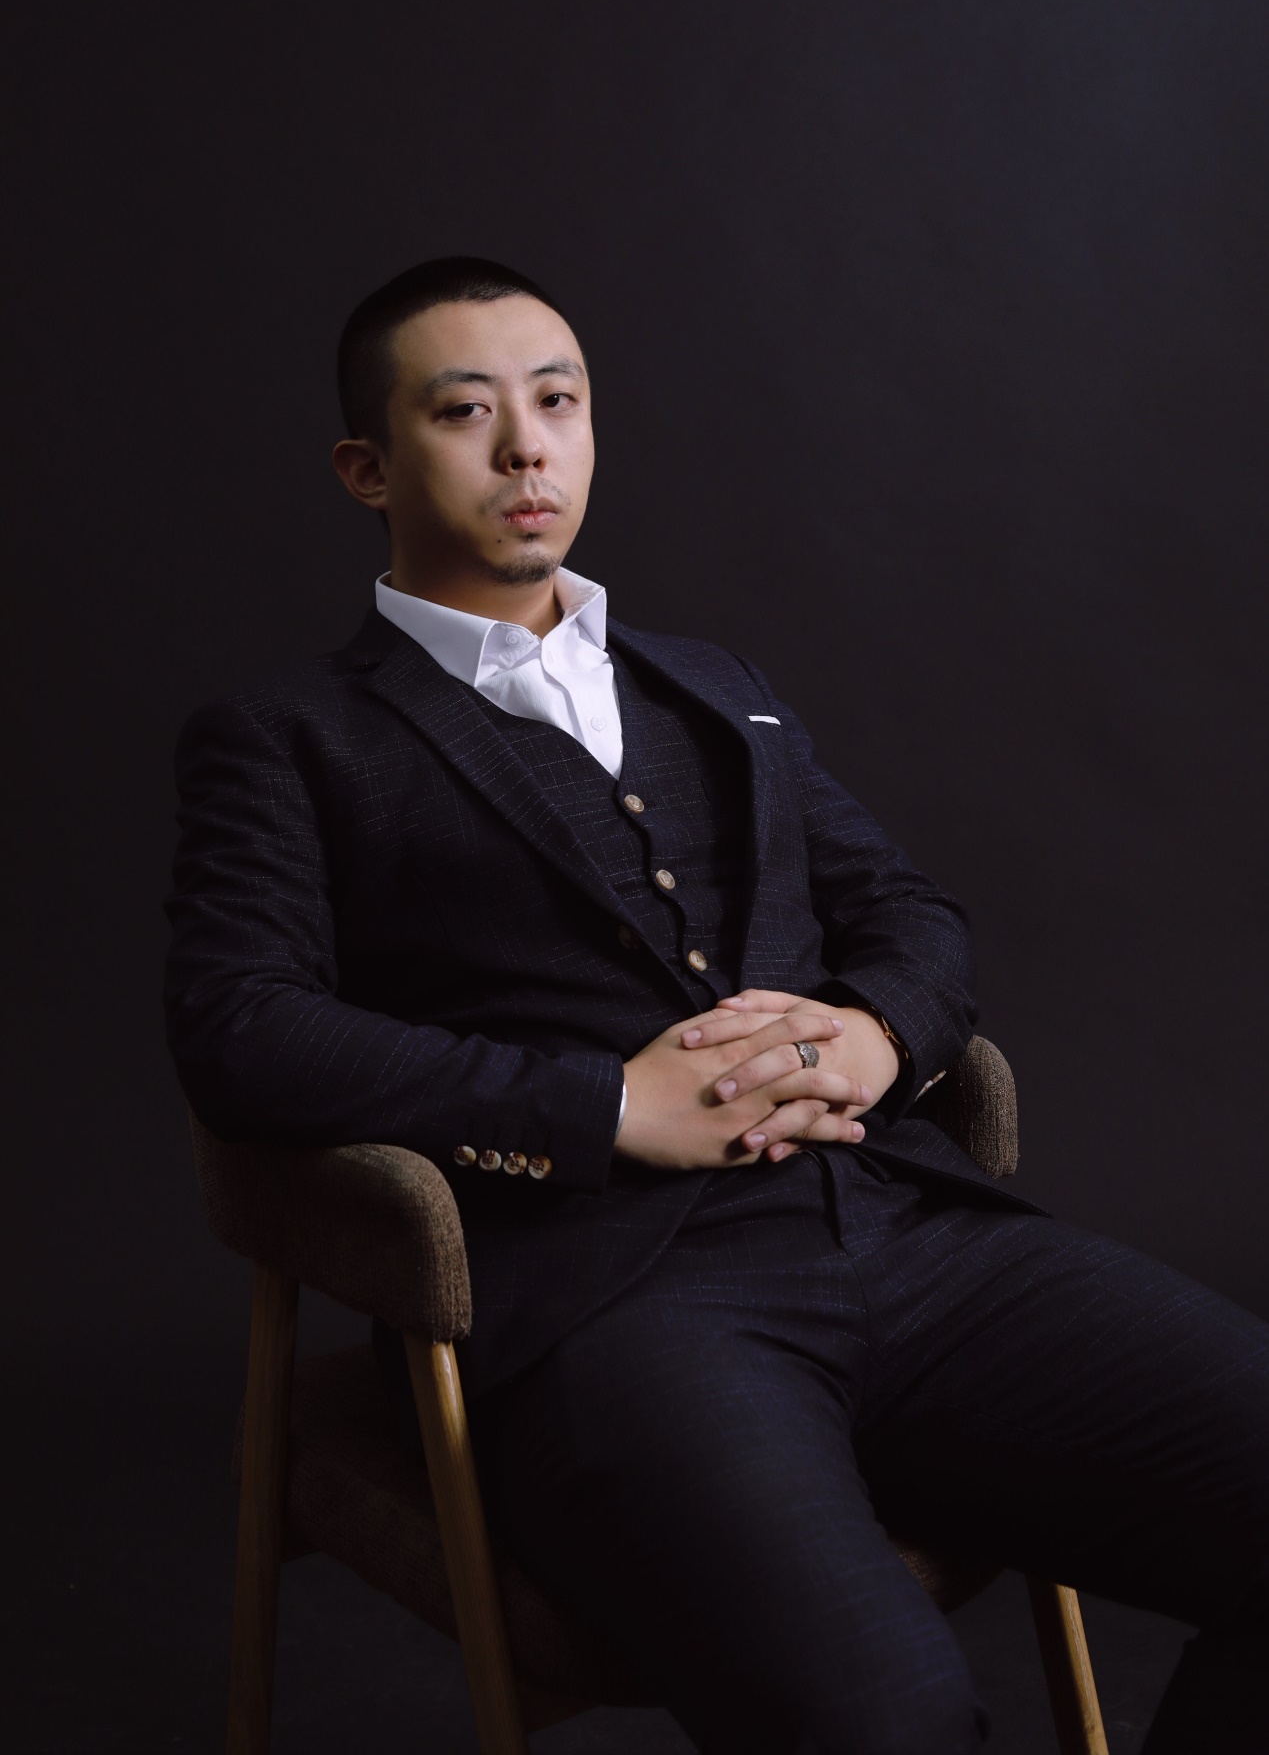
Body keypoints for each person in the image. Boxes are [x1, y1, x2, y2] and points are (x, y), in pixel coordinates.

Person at [165, 257, 1269, 1754]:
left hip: (908, 1236)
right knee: (883, 1723)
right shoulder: (288, 735)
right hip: (614, 1307)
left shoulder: (712, 684)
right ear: (370, 467)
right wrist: (606, 1107)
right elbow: (239, 1027)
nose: (527, 447)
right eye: (466, 412)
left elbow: (910, 916)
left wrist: (873, 1035)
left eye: (559, 402)